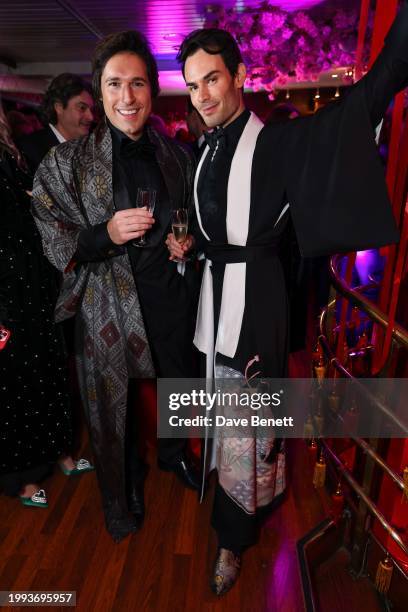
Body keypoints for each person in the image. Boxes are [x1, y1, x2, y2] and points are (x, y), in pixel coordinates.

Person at [166, 4, 408, 595]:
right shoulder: (206, 149)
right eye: (193, 84)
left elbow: (363, 104)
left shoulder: (279, 141)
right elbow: (216, 227)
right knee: (227, 414)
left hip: (260, 300)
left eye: (212, 79)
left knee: (249, 418)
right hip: (215, 296)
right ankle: (249, 497)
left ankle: (233, 538)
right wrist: (190, 245)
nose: (201, 95)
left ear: (240, 76)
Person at [32, 31, 200, 542]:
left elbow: (189, 216)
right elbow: (51, 234)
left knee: (177, 383)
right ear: (101, 93)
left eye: (138, 83)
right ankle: (120, 492)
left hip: (167, 295)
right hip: (107, 304)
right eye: (114, 84)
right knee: (111, 407)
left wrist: (184, 242)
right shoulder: (67, 162)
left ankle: (174, 455)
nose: (127, 97)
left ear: (152, 90)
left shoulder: (176, 154)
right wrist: (102, 234)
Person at [0, 112, 92, 509]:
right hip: (5, 295)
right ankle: (19, 477)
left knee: (50, 370)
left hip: (35, 285)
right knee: (13, 385)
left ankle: (60, 451)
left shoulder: (11, 156)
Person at [17, 73, 94, 175]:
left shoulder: (92, 147)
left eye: (91, 109)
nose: (91, 117)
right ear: (59, 108)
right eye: (82, 108)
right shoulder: (28, 151)